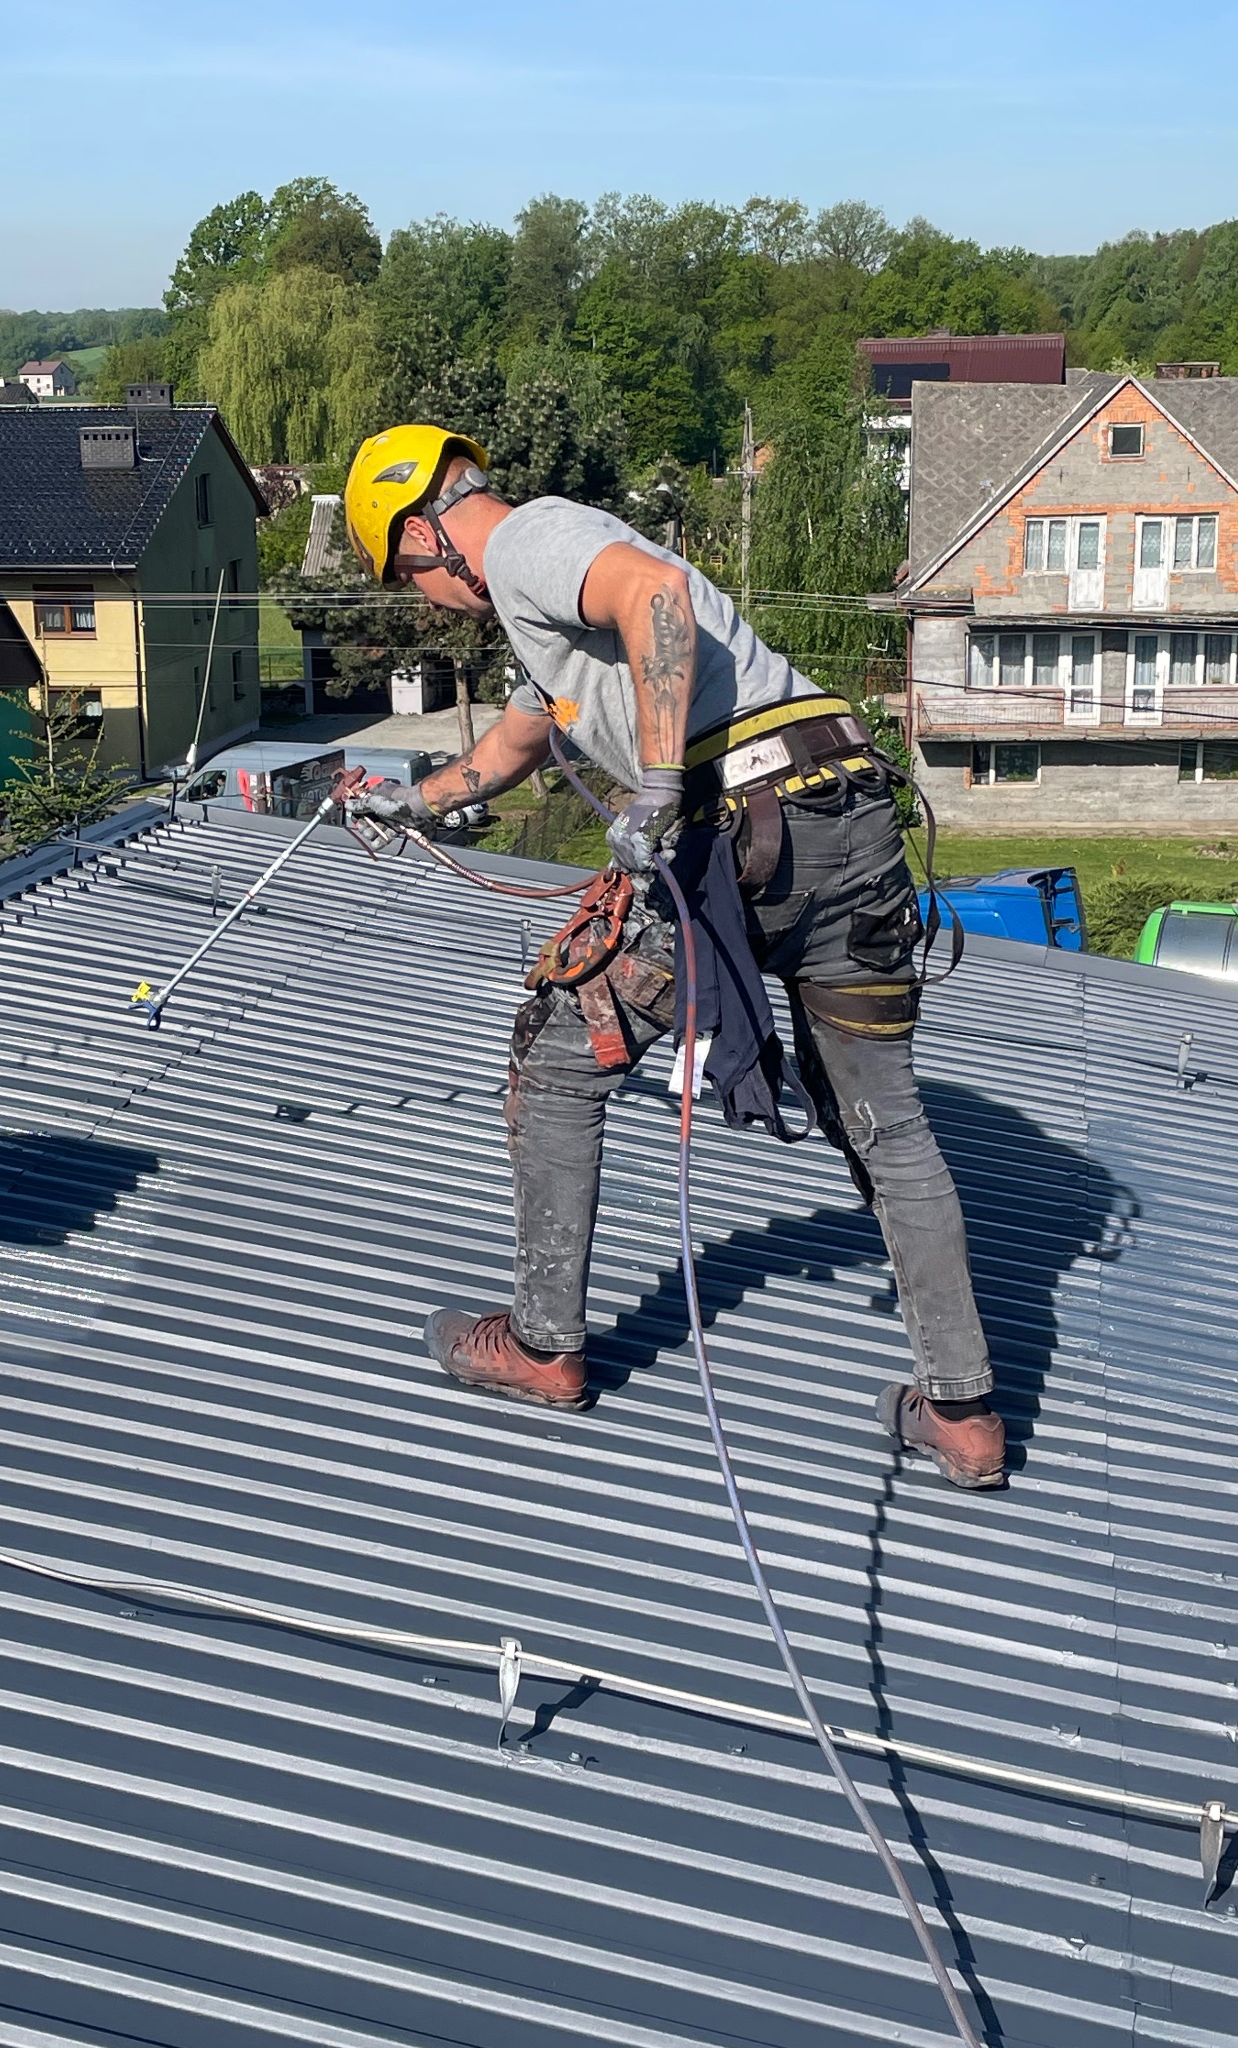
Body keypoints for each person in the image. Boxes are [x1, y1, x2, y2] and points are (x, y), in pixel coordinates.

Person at [341, 424, 1005, 1491]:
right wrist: (411, 802)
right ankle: (965, 1415)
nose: (426, 598)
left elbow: (655, 595)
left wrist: (656, 783)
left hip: (748, 835)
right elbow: (518, 739)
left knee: (555, 1056)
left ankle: (542, 1343)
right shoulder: (546, 618)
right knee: (884, 1121)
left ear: (425, 528)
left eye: (410, 572)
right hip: (847, 813)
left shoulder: (524, 543)